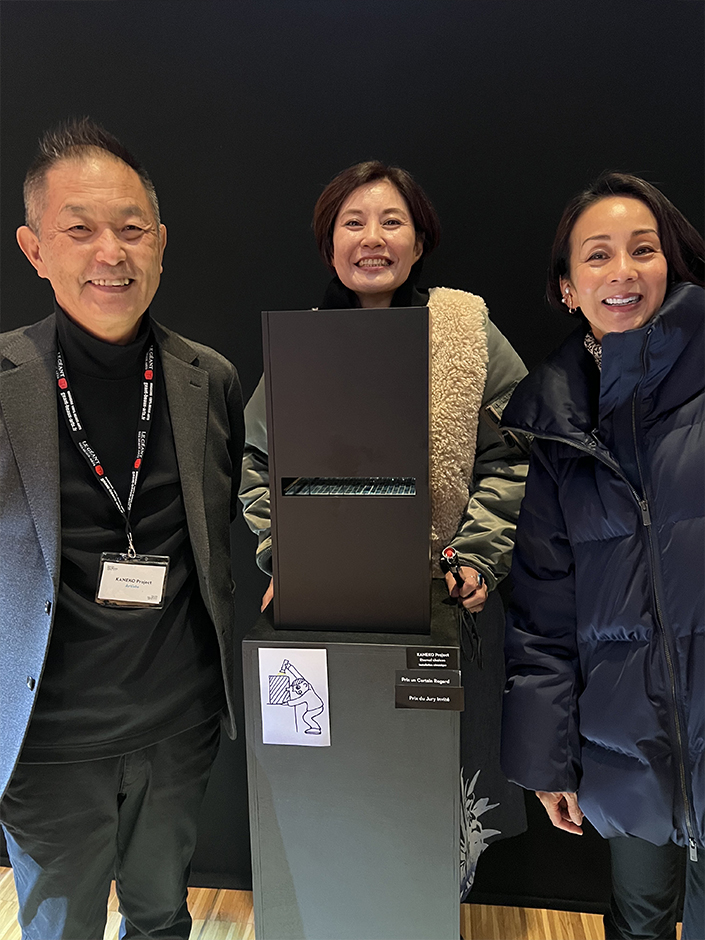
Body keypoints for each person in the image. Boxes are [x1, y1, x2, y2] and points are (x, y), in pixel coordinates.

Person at [239, 160, 529, 898]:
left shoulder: (467, 333)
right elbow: (258, 465)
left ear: (419, 240)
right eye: (353, 222)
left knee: (431, 790)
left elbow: (514, 456)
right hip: (329, 609)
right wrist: (288, 559)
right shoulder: (302, 343)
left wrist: (478, 555)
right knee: (341, 786)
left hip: (439, 601)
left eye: (391, 221)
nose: (372, 237)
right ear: (329, 242)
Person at [0, 118, 244, 939]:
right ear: (36, 249)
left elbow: (226, 523)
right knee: (59, 929)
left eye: (132, 229)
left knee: (161, 918)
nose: (111, 252)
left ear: (161, 244)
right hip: (45, 742)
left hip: (177, 727)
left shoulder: (208, 379)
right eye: (80, 230)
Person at [500, 172, 704, 939]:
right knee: (639, 920)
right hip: (625, 739)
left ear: (668, 263)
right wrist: (547, 759)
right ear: (567, 287)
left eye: (642, 249)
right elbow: (542, 610)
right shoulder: (555, 421)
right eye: (597, 255)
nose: (622, 271)